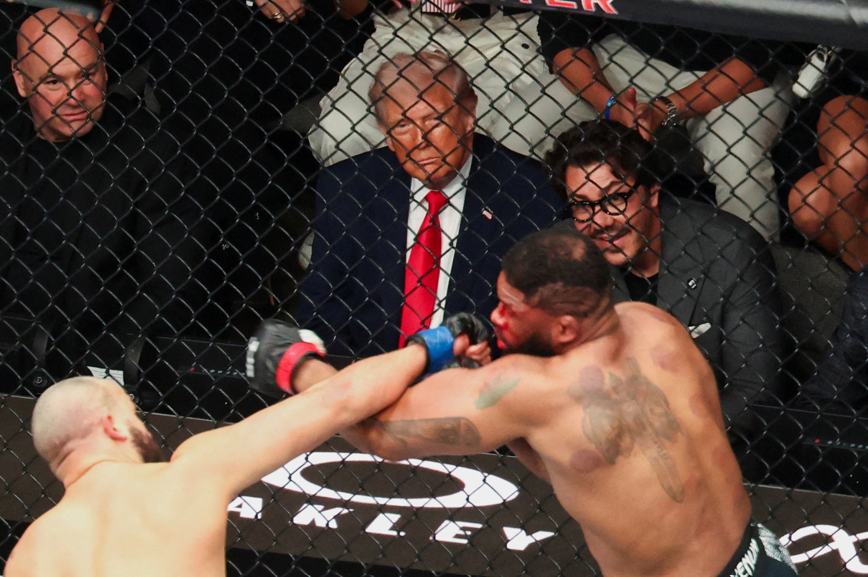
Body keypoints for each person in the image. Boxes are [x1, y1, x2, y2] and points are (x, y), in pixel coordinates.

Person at [251, 227, 798, 577]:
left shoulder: (530, 388)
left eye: (512, 308)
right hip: (761, 559)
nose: (496, 316)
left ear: (563, 327)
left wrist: (297, 364)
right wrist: (508, 418)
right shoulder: (657, 325)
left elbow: (374, 430)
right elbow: (581, 462)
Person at [4, 338, 418, 576]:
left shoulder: (31, 551)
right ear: (113, 426)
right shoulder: (185, 476)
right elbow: (337, 400)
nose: (145, 427)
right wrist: (426, 346)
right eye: (134, 414)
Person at [296, 51, 563, 357]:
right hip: (372, 375)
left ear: (468, 113)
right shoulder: (349, 186)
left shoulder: (529, 192)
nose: (420, 139)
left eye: (434, 119)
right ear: (386, 134)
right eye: (402, 126)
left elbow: (538, 324)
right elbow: (320, 308)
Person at [545, 120, 785, 454]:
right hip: (596, 456)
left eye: (615, 198)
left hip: (709, 455)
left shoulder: (730, 248)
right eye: (583, 205)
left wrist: (654, 452)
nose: (600, 220)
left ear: (652, 192)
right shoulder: (558, 255)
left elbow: (754, 392)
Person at [1, 10, 208, 384]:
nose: (74, 96)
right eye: (52, 81)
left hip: (97, 359)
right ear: (21, 80)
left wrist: (102, 365)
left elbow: (172, 282)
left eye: (87, 75)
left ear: (105, 69)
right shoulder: (7, 141)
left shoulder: (151, 147)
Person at [538, 12, 794, 240]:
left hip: (736, 69)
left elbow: (762, 55)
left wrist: (664, 109)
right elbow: (559, 27)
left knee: (737, 152)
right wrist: (610, 104)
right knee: (524, 123)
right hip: (637, 51)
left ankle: (752, 278)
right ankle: (538, 265)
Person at [307, 0, 595, 165]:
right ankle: (347, 230)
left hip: (501, 37)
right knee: (341, 128)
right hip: (404, 32)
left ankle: (459, 252)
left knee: (467, 135)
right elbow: (349, 9)